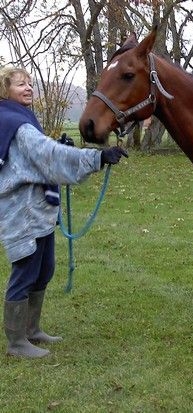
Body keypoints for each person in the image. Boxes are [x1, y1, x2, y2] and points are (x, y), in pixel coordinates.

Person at [0, 66, 128, 358]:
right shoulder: (14, 123)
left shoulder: (18, 117)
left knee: (44, 269)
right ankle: (16, 343)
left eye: (30, 83)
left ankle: (31, 330)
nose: (28, 88)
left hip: (37, 211)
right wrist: (98, 158)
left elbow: (38, 155)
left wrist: (58, 145)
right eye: (20, 84)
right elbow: (48, 157)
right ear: (5, 90)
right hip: (22, 212)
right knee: (25, 272)